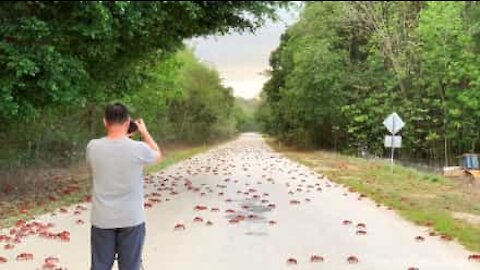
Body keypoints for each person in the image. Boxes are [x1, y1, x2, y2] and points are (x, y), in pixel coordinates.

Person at [86, 102, 162, 270]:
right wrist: (144, 132)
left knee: (99, 266)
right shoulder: (138, 149)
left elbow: (95, 168)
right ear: (128, 122)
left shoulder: (93, 147)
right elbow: (158, 155)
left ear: (105, 122)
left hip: (102, 219)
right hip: (131, 218)